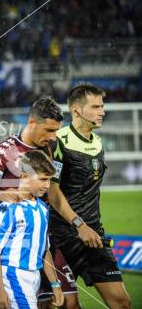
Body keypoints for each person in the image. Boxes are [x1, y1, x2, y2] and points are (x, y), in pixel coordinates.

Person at [0, 96, 81, 308]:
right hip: (17, 250)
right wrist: (3, 194)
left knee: (66, 302)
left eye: (56, 131)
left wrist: (78, 223)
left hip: (46, 243)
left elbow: (54, 192)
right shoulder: (4, 152)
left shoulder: (51, 148)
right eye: (48, 130)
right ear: (32, 123)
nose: (52, 136)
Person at [48, 84, 131, 308]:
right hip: (62, 238)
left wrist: (88, 227)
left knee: (122, 302)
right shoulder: (59, 141)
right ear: (76, 110)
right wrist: (78, 224)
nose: (101, 111)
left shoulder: (98, 143)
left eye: (102, 106)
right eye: (95, 107)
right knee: (67, 305)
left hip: (94, 236)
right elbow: (52, 191)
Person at [0, 150, 64, 309]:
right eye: (42, 179)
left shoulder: (42, 208)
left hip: (34, 276)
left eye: (49, 180)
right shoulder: (9, 207)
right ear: (25, 177)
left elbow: (44, 250)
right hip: (14, 276)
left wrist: (55, 284)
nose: (47, 185)